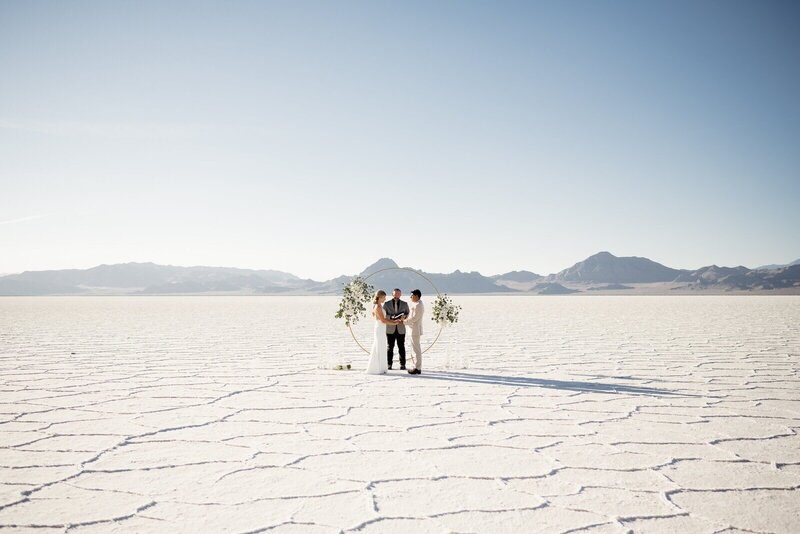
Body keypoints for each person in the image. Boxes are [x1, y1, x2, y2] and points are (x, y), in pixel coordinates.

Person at [366, 290, 401, 375]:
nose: (385, 299)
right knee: (379, 346)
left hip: (381, 327)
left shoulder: (378, 306)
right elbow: (383, 320)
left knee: (380, 346)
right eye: (384, 297)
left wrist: (394, 320)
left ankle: (380, 367)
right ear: (380, 297)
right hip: (380, 328)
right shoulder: (377, 307)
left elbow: (383, 319)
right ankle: (377, 368)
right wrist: (394, 323)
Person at [383, 288, 410, 370]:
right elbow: (384, 315)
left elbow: (408, 313)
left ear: (400, 295)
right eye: (395, 294)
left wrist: (404, 317)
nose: (397, 295)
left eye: (398, 294)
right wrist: (391, 317)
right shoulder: (386, 304)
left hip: (401, 328)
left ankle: (402, 365)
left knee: (401, 347)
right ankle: (389, 364)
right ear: (392, 294)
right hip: (390, 328)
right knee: (390, 347)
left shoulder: (405, 304)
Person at [402, 289, 425, 374]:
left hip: (415, 330)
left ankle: (417, 368)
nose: (410, 297)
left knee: (416, 350)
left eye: (411, 295)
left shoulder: (418, 305)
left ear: (416, 296)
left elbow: (415, 318)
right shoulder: (416, 304)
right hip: (412, 329)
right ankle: (415, 366)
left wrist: (404, 321)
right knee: (414, 349)